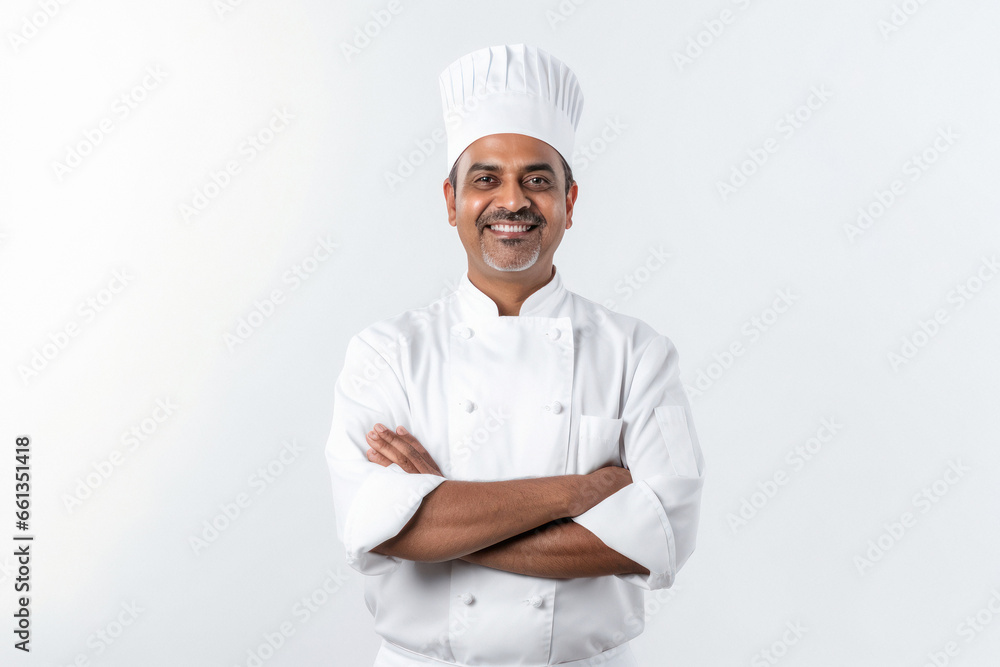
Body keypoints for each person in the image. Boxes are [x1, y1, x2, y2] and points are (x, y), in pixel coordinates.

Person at [325, 43, 705, 666]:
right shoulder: (385, 354)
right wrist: (577, 493)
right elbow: (372, 528)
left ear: (569, 204)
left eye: (537, 179)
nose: (513, 201)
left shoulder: (638, 353)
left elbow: (659, 541)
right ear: (451, 202)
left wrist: (434, 513)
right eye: (486, 180)